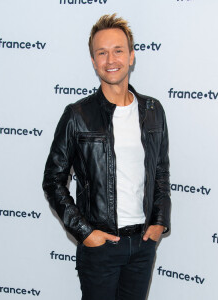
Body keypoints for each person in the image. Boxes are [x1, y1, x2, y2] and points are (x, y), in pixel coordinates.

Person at [42, 13, 171, 300]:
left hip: (142, 244)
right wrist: (85, 232)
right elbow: (53, 181)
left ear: (132, 56)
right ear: (93, 61)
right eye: (102, 52)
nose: (110, 60)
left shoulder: (153, 111)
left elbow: (160, 170)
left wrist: (160, 220)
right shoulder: (77, 115)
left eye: (118, 51)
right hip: (100, 248)